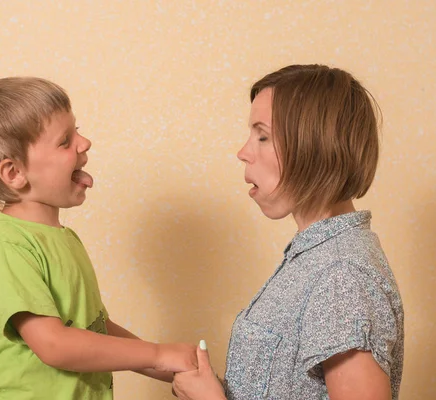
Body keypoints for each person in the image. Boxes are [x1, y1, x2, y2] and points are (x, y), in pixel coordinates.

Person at [0, 77, 197, 399]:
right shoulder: (7, 248)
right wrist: (157, 353)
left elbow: (94, 330)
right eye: (65, 141)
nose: (85, 143)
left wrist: (165, 365)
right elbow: (54, 344)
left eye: (77, 130)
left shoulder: (64, 239)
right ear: (14, 173)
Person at [173, 64, 404, 400]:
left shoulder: (342, 277)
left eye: (262, 136)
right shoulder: (317, 258)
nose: (243, 152)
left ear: (314, 145)